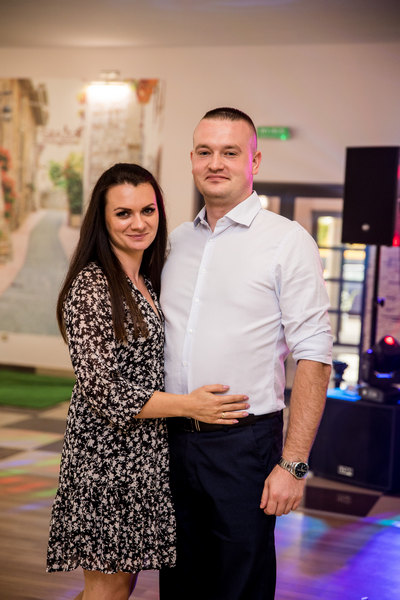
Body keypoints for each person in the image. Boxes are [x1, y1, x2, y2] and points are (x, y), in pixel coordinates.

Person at [46, 162, 249, 600]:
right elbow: (103, 390)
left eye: (148, 210)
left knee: (119, 584)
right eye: (123, 213)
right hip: (104, 458)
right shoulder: (92, 285)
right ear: (102, 220)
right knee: (110, 588)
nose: (138, 223)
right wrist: (189, 405)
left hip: (144, 454)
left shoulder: (146, 280)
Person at [159, 108, 333, 600]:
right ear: (192, 158)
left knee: (240, 585)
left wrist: (293, 464)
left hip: (243, 445)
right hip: (170, 440)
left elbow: (314, 356)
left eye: (230, 152)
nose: (215, 163)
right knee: (179, 583)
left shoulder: (286, 241)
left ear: (254, 161)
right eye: (205, 151)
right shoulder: (176, 241)